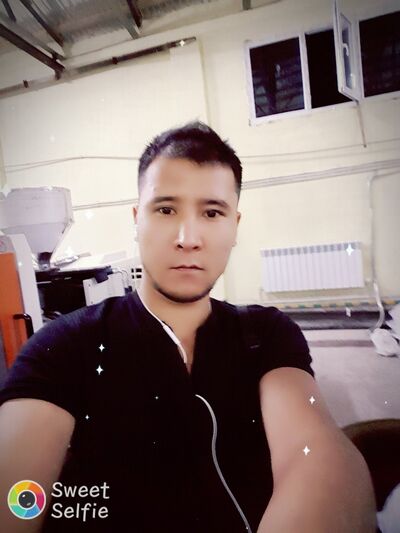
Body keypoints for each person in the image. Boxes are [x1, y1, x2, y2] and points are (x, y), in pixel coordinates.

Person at [0, 121, 376, 532]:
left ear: (235, 226)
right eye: (165, 210)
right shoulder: (63, 345)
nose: (187, 238)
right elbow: (15, 490)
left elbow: (315, 453)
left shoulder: (265, 334)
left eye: (212, 213)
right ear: (137, 220)